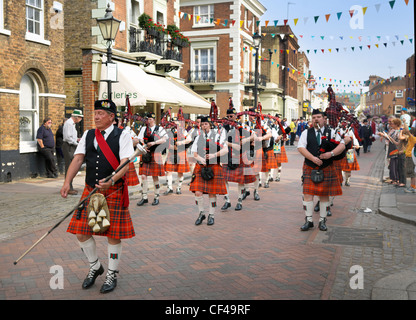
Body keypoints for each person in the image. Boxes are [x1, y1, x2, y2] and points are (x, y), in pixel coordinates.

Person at [60, 99, 135, 294]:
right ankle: (95, 266)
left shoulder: (123, 135)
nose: (96, 116)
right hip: (90, 190)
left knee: (113, 235)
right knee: (82, 232)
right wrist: (67, 181)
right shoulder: (88, 134)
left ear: (111, 117)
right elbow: (78, 159)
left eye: (101, 113)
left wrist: (113, 180)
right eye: (95, 113)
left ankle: (111, 273)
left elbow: (126, 162)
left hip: (113, 190)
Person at [297, 109, 346, 232]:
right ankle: (308, 220)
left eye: (319, 117)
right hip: (310, 166)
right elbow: (301, 147)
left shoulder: (332, 132)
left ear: (324, 119)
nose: (316, 119)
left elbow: (342, 145)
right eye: (314, 117)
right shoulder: (306, 132)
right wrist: (313, 158)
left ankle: (322, 221)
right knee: (307, 195)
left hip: (326, 167)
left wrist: (331, 154)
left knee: (324, 195)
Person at [190, 116, 228, 226]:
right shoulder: (198, 137)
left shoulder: (217, 137)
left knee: (212, 193)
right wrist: (200, 159)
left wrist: (214, 154)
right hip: (200, 167)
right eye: (202, 124)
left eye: (206, 124)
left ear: (210, 125)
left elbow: (225, 149)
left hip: (214, 166)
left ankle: (211, 215)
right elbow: (195, 153)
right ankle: (201, 213)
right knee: (198, 192)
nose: (203, 126)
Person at [221, 108, 256, 211]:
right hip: (227, 154)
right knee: (224, 179)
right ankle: (227, 200)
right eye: (228, 116)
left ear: (236, 116)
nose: (229, 118)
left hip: (240, 155)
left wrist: (246, 139)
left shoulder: (242, 126)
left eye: (231, 116)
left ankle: (239, 201)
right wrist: (233, 145)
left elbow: (254, 135)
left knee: (240, 181)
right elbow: (222, 141)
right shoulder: (224, 128)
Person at [136, 112, 168, 206]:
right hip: (145, 153)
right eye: (147, 119)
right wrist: (143, 145)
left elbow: (164, 139)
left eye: (150, 119)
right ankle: (144, 197)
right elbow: (139, 139)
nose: (148, 121)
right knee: (143, 176)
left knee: (155, 176)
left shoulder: (159, 129)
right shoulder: (143, 129)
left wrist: (154, 143)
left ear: (153, 120)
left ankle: (156, 196)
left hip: (155, 153)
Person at [163, 118, 191, 195]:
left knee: (180, 172)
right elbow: (165, 140)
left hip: (181, 152)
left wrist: (181, 142)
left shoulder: (183, 131)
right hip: (172, 152)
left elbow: (189, 139)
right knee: (168, 171)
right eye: (173, 122)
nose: (174, 123)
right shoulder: (169, 131)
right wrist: (170, 146)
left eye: (176, 122)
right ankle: (169, 188)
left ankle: (178, 188)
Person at [63, 109, 84, 195]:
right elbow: (68, 138)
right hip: (68, 146)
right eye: (80, 117)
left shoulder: (72, 124)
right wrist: (76, 143)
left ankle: (69, 186)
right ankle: (68, 187)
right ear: (76, 117)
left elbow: (71, 137)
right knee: (69, 167)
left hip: (71, 145)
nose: (81, 119)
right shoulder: (69, 123)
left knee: (72, 166)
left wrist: (77, 139)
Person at [400, 126, 416, 193]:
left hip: (410, 157)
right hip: (410, 156)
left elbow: (407, 131)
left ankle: (413, 187)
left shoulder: (413, 138)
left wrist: (404, 123)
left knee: (412, 173)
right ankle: (413, 187)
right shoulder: (412, 138)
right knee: (412, 173)